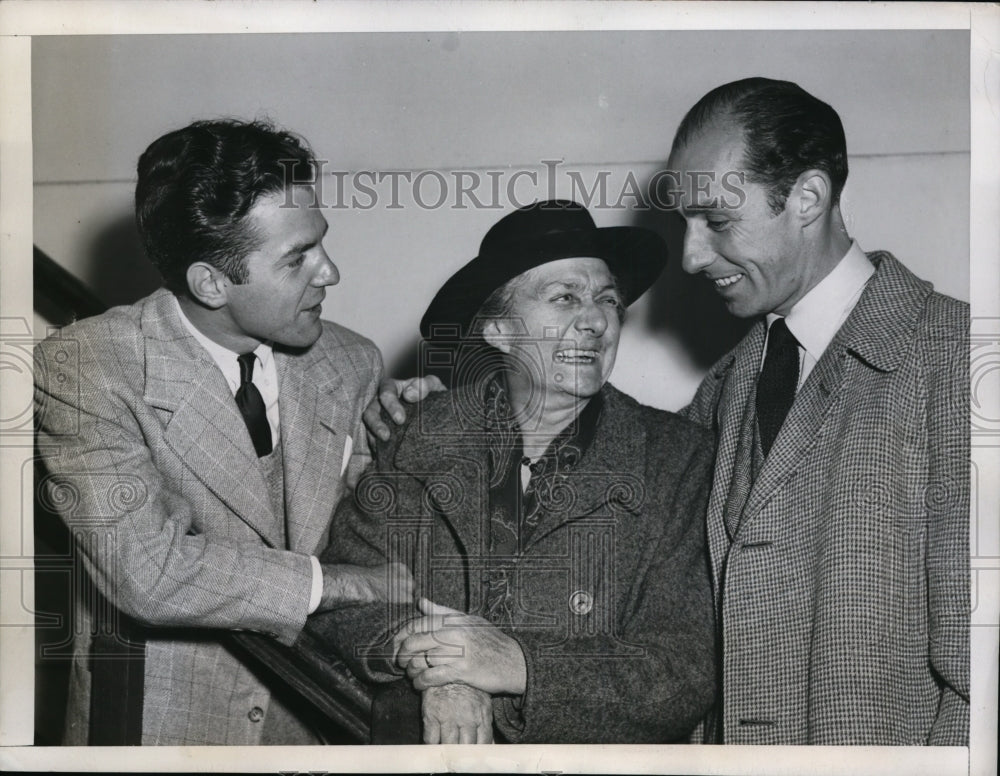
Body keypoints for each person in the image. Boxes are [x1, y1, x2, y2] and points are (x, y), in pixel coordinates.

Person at [370, 79, 970, 746]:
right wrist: (435, 411)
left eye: (716, 221)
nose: (689, 256)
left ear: (807, 198)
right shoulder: (736, 380)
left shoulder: (955, 361)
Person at [34, 119, 412, 745]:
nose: (331, 272)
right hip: (160, 736)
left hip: (312, 728)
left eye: (320, 243)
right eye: (297, 258)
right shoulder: (87, 366)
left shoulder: (353, 363)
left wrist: (419, 441)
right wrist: (337, 584)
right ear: (211, 282)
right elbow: (148, 571)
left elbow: (371, 535)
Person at [307, 200, 717, 744]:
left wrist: (516, 664)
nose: (595, 321)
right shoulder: (419, 433)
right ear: (499, 331)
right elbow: (345, 599)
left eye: (608, 300)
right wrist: (448, 670)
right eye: (564, 297)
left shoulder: (678, 458)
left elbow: (683, 669)